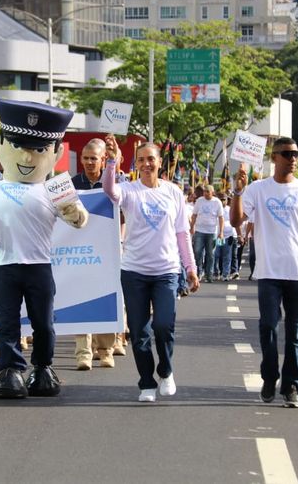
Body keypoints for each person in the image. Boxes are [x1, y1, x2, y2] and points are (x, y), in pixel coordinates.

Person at [0, 99, 88, 399]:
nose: (27, 156)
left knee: (44, 323)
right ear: (3, 144)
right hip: (5, 266)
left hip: (39, 266)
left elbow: (81, 220)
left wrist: (73, 212)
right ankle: (10, 370)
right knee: (6, 323)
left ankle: (43, 367)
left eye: (39, 149)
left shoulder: (56, 187)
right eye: (18, 146)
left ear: (54, 153)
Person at [229, 137, 298, 409]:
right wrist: (238, 192)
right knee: (268, 325)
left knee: (295, 331)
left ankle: (291, 386)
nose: (293, 158)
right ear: (274, 157)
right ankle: (269, 376)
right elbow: (235, 221)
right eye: (287, 153)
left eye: (296, 153)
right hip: (268, 271)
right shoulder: (258, 189)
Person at [102, 135, 199, 403]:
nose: (146, 164)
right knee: (139, 330)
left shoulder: (173, 193)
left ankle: (165, 371)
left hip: (167, 271)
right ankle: (146, 382)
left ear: (160, 163)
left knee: (164, 326)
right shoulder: (129, 190)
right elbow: (109, 191)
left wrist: (190, 267)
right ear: (136, 164)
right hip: (134, 271)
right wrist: (112, 161)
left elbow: (182, 233)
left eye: (151, 159)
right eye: (141, 160)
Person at [71, 138, 118, 370]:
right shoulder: (71, 185)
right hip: (78, 253)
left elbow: (124, 216)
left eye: (94, 158)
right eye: (86, 158)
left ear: (103, 160)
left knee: (105, 300)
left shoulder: (113, 184)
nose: (90, 162)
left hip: (106, 252)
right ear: (81, 159)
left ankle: (106, 350)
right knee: (80, 300)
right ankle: (83, 353)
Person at [191, 184, 224, 282]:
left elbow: (221, 218)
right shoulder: (199, 201)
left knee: (210, 254)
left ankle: (209, 275)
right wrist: (192, 226)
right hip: (199, 231)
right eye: (204, 192)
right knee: (197, 252)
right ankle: (198, 273)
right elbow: (194, 215)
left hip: (211, 232)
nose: (205, 194)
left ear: (212, 193)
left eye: (207, 192)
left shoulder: (217, 202)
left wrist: (221, 232)